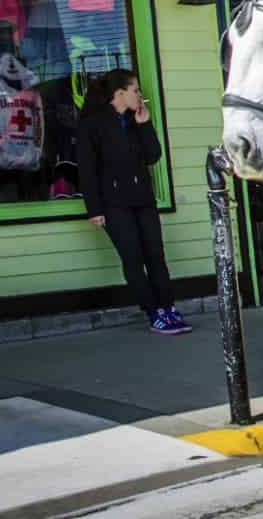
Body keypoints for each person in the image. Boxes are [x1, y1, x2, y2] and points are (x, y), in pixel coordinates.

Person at [77, 69, 190, 334]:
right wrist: (94, 209)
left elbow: (152, 156)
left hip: (143, 199)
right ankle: (153, 312)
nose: (140, 96)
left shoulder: (134, 120)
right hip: (113, 204)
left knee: (155, 254)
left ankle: (168, 307)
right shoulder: (93, 123)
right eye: (136, 90)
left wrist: (145, 124)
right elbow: (87, 169)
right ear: (120, 93)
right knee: (133, 257)